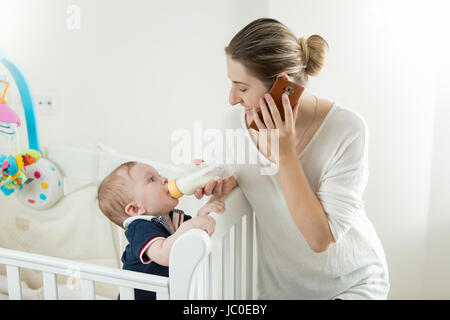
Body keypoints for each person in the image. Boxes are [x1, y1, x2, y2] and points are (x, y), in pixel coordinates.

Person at [194, 18, 389, 299]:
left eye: (242, 87)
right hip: (280, 290)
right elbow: (244, 188)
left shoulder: (347, 129)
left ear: (283, 86)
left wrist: (284, 151)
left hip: (353, 283)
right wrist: (221, 187)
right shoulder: (234, 127)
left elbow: (320, 239)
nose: (232, 99)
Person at [97, 161, 225, 300]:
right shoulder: (139, 228)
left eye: (159, 175)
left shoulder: (172, 217)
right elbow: (164, 254)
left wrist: (201, 215)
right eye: (152, 179)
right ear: (136, 208)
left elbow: (189, 238)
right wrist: (192, 225)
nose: (164, 179)